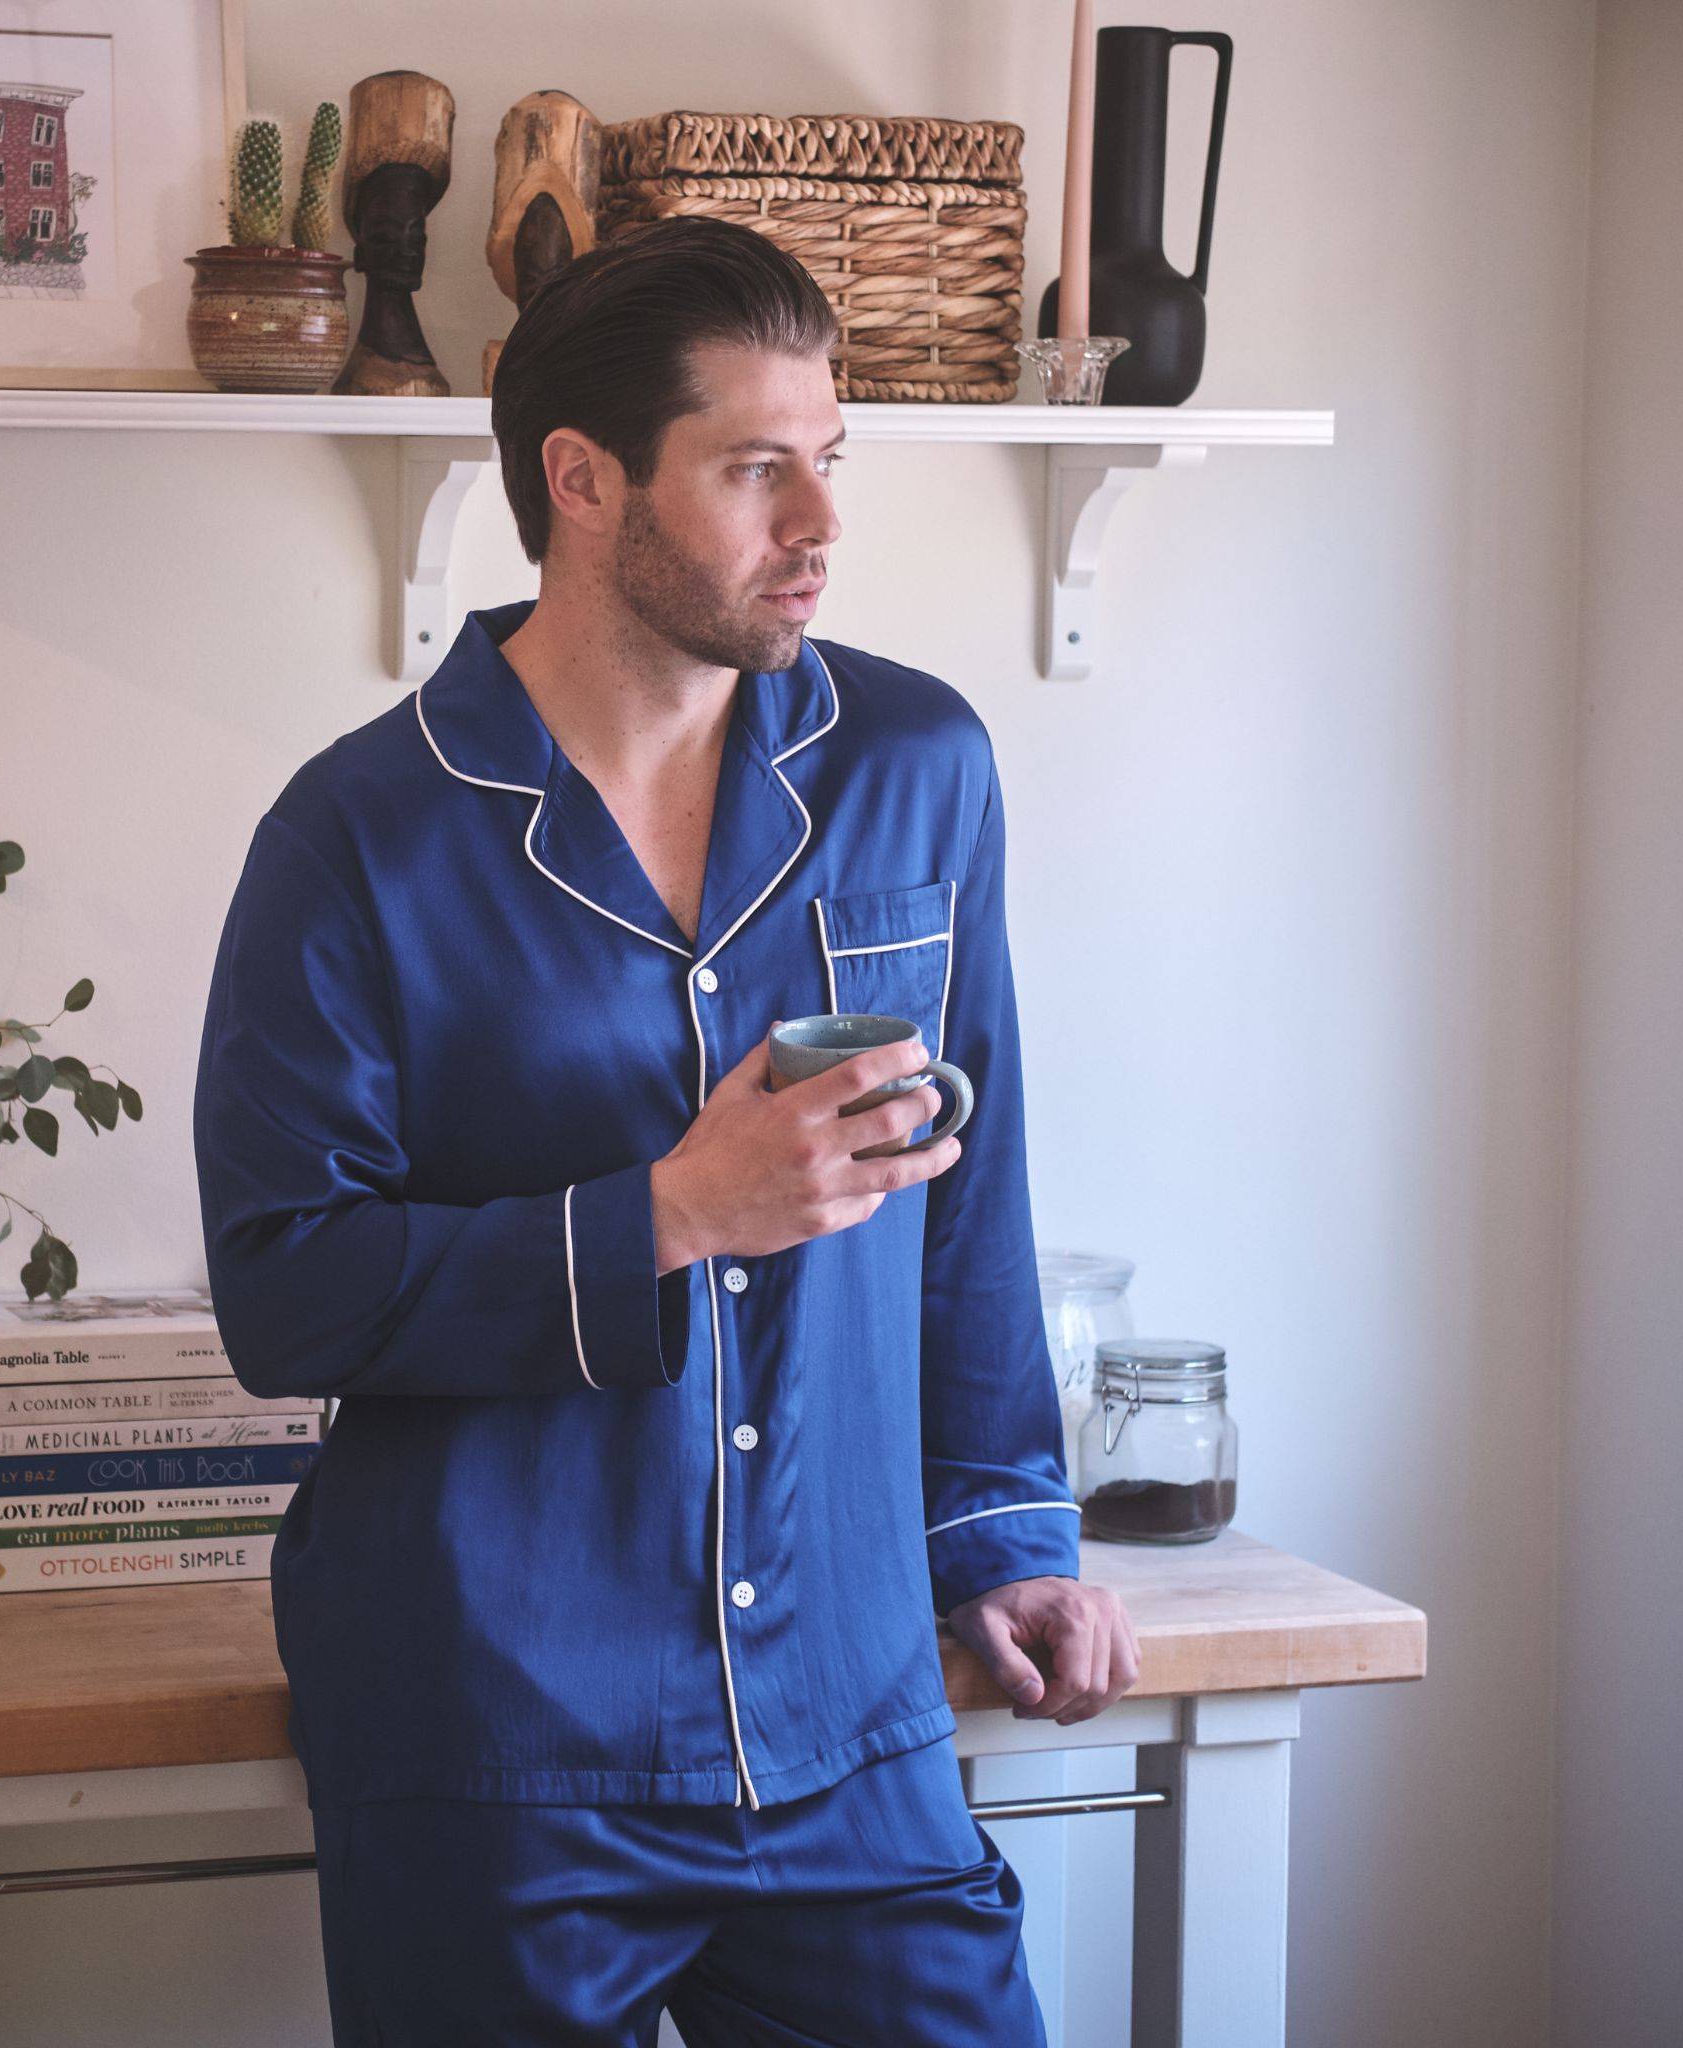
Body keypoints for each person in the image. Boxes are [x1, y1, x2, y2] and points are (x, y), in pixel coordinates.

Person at [193, 214, 1140, 2046]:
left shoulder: (917, 767)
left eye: (830, 459)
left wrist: (1008, 1531)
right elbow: (284, 1296)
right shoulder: (357, 839)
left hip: (852, 1719)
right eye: (754, 468)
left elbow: (974, 1191)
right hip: (502, 1747)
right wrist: (672, 1212)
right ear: (584, 482)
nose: (821, 526)